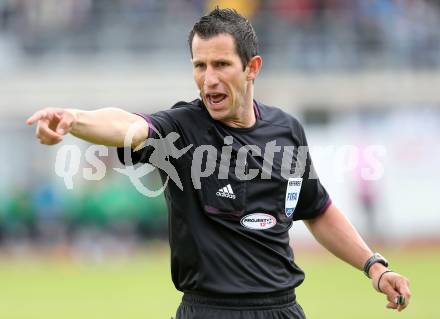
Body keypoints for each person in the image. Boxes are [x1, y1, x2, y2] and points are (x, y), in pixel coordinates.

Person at [26, 8, 411, 319]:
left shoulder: (287, 131)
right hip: (209, 311)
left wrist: (376, 267)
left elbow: (316, 208)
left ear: (252, 67)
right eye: (199, 66)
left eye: (221, 65)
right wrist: (74, 119)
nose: (208, 80)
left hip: (284, 309)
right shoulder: (181, 130)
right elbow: (131, 124)